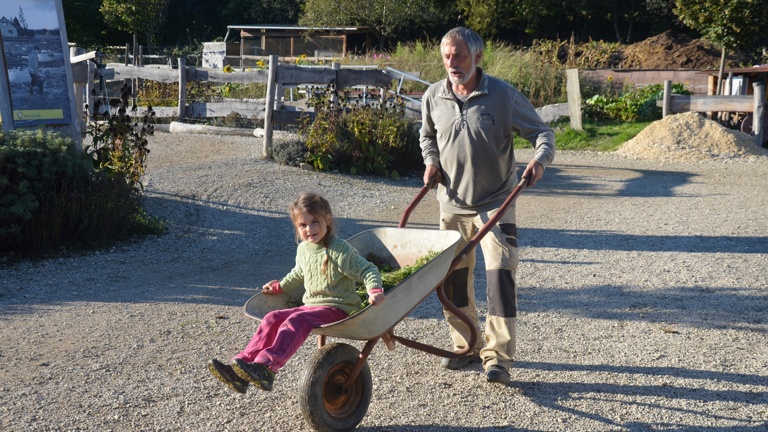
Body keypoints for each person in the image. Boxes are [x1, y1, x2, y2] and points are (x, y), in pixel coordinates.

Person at [419, 27, 555, 385]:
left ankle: (498, 358)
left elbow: (543, 133)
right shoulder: (433, 95)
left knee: (499, 278)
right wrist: (431, 161)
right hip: (451, 203)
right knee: (453, 280)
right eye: (447, 55)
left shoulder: (502, 95)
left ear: (478, 57)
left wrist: (539, 161)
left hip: (496, 203)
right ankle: (466, 346)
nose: (452, 63)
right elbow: (427, 136)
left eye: (459, 55)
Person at [208, 192, 385, 394]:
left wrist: (374, 289)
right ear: (297, 227)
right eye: (303, 225)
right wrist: (280, 286)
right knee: (272, 317)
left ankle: (267, 368)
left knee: (296, 321)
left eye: (315, 222)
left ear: (327, 218)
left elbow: (368, 269)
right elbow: (299, 273)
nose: (309, 229)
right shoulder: (303, 249)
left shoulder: (340, 250)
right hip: (312, 306)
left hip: (338, 307)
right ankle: (242, 368)